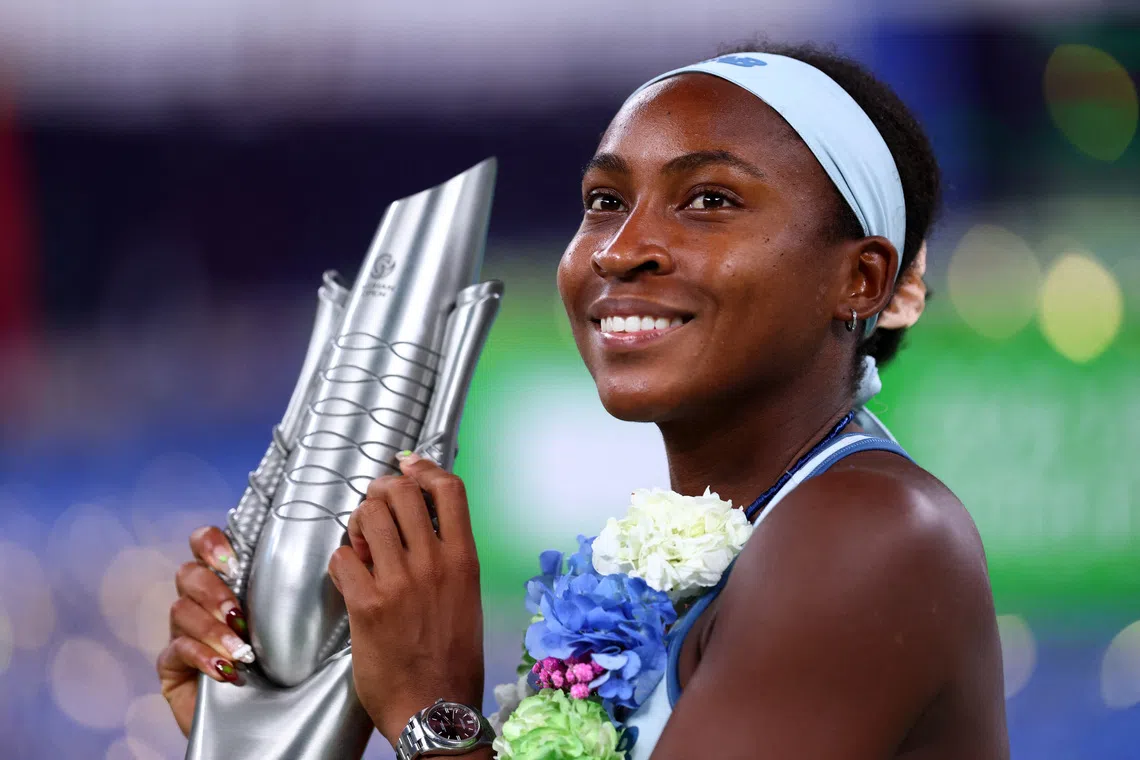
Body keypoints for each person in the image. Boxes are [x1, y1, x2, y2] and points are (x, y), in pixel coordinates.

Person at [157, 41, 1010, 759]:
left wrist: (430, 707)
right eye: (604, 201)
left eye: (709, 200)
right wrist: (274, 725)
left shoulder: (871, 533)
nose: (621, 248)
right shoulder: (661, 559)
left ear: (859, 278)